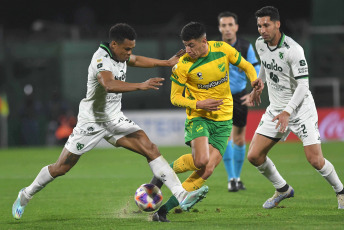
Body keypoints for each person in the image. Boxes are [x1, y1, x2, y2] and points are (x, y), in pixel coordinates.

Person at [12, 23, 209, 220]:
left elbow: (136, 59)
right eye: (127, 49)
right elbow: (109, 85)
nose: (129, 52)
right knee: (61, 167)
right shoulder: (101, 59)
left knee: (151, 149)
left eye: (131, 48)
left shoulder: (120, 54)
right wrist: (141, 85)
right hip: (91, 122)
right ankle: (26, 194)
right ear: (114, 44)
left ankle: (181, 195)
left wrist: (166, 63)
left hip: (115, 120)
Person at [152, 21, 263, 222]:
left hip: (224, 119)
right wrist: (199, 104)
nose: (187, 50)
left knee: (208, 169)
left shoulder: (222, 49)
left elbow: (246, 65)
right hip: (199, 115)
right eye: (185, 45)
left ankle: (162, 212)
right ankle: (161, 173)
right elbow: (175, 98)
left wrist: (254, 79)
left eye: (191, 45)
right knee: (200, 161)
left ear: (204, 41)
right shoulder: (183, 64)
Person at [247, 6, 344, 209]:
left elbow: (303, 86)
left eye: (266, 25)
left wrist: (287, 111)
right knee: (254, 156)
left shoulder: (294, 50)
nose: (262, 30)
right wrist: (259, 82)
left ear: (277, 24)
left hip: (300, 110)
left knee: (315, 160)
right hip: (276, 110)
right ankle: (283, 189)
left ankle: (341, 191)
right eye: (259, 26)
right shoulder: (260, 43)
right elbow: (266, 63)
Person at [218, 11, 261, 192]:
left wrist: (253, 91)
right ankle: (231, 179)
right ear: (220, 28)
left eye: (230, 25)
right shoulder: (215, 48)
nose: (227, 29)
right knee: (226, 137)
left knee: (240, 139)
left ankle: (237, 177)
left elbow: (255, 67)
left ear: (236, 27)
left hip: (240, 96)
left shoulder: (244, 46)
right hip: (221, 98)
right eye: (224, 25)